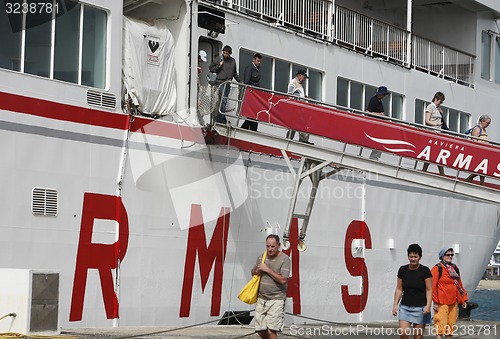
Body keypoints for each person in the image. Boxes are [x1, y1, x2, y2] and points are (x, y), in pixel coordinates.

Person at [252, 234, 291, 339]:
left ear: (278, 245)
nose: (270, 249)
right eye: (268, 246)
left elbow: (283, 280)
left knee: (271, 330)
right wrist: (257, 270)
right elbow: (253, 272)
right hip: (261, 299)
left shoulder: (285, 259)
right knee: (260, 329)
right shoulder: (262, 257)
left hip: (276, 299)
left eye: (272, 246)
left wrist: (267, 270)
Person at [392, 244, 432, 339]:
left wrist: (428, 305)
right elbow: (399, 288)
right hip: (405, 307)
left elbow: (429, 289)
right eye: (411, 256)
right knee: (403, 333)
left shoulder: (425, 271)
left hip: (420, 308)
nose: (413, 259)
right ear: (408, 256)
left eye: (415, 257)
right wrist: (395, 305)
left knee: (417, 336)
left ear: (420, 257)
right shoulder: (403, 270)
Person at [431, 247, 468, 339]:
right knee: (440, 325)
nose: (450, 256)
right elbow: (432, 286)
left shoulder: (454, 268)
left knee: (450, 327)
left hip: (453, 302)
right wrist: (435, 301)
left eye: (452, 255)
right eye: (448, 255)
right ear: (442, 256)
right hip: (441, 302)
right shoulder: (437, 269)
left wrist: (463, 300)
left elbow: (459, 285)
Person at [209, 45, 242, 123]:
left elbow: (234, 73)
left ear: (230, 53)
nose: (225, 54)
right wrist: (219, 66)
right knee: (224, 100)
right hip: (220, 82)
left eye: (227, 53)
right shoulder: (219, 59)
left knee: (225, 101)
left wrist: (240, 81)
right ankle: (220, 120)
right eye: (224, 52)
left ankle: (222, 118)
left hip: (228, 83)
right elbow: (211, 68)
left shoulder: (233, 61)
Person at [285, 69, 312, 144]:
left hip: (300, 108)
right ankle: (302, 140)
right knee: (300, 124)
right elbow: (289, 94)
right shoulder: (293, 82)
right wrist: (295, 104)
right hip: (296, 109)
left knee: (295, 126)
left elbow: (298, 93)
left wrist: (305, 98)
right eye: (304, 77)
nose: (304, 80)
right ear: (300, 75)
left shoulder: (299, 83)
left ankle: (289, 140)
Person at [422, 92, 446, 175]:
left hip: (438, 133)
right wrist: (435, 124)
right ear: (436, 99)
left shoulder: (437, 108)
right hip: (432, 132)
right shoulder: (430, 107)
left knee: (436, 153)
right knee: (434, 152)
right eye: (440, 101)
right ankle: (441, 173)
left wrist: (441, 113)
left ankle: (426, 170)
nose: (440, 103)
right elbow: (427, 121)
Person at [465, 115, 491, 184]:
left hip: (484, 151)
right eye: (488, 123)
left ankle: (481, 182)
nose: (488, 125)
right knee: (481, 168)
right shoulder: (477, 129)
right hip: (479, 151)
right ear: (483, 121)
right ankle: (469, 178)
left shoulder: (483, 129)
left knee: (484, 168)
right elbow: (474, 140)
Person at [366, 86, 390, 160]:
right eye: (384, 94)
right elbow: (367, 112)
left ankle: (375, 157)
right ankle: (373, 157)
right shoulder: (374, 100)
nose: (384, 96)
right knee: (379, 141)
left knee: (381, 141)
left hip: (379, 124)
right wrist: (380, 114)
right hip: (375, 124)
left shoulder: (379, 100)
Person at [241, 53, 263, 131]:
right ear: (253, 60)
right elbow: (247, 82)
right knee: (253, 114)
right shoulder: (250, 68)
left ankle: (252, 128)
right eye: (258, 61)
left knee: (255, 113)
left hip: (256, 95)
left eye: (260, 61)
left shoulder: (257, 69)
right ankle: (247, 128)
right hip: (251, 94)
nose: (259, 63)